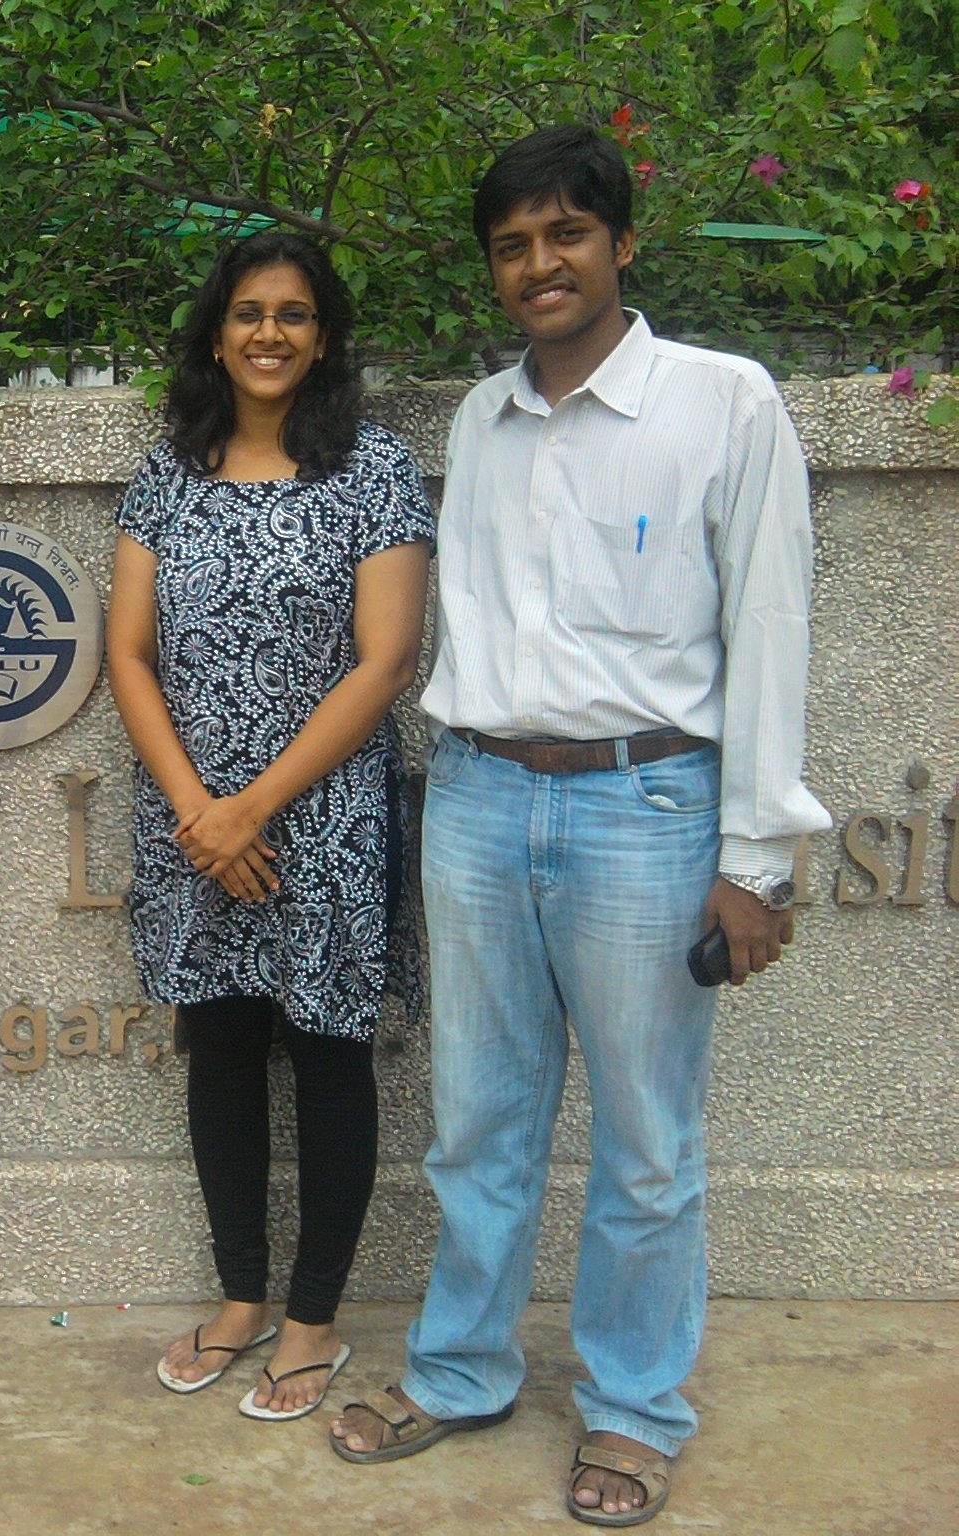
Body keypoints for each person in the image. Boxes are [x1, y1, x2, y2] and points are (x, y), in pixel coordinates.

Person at [327, 125, 829, 1527]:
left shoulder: (726, 404)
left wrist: (755, 859)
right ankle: (464, 1366)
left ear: (620, 244)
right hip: (482, 795)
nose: (539, 265)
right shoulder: (485, 420)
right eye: (512, 245)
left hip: (648, 803)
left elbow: (769, 630)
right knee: (479, 1118)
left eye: (565, 235)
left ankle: (630, 1409)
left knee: (649, 1141)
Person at [105, 232, 433, 1423]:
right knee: (223, 1048)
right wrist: (200, 810)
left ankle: (311, 1320)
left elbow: (384, 658)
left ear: (325, 336)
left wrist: (253, 805)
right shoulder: (167, 472)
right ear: (214, 332)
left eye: (293, 314)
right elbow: (124, 653)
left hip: (323, 814)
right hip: (191, 816)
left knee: (331, 1053)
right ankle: (239, 1298)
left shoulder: (372, 470)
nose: (268, 334)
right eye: (247, 312)